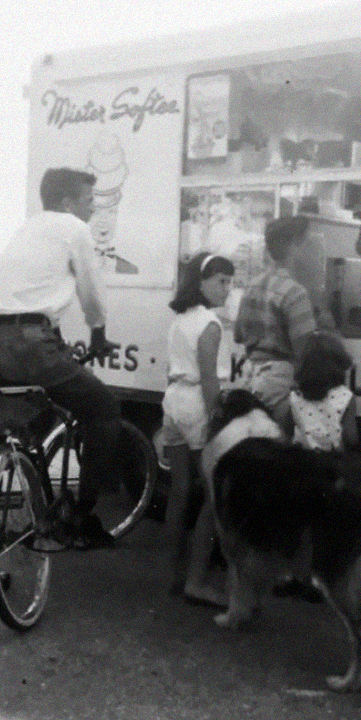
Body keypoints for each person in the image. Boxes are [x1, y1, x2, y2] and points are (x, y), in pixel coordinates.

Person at [0, 167, 122, 605]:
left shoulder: (28, 228)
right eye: (90, 198)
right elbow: (92, 291)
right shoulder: (74, 229)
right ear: (70, 203)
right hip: (31, 346)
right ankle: (82, 519)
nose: (94, 206)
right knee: (104, 409)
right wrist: (99, 332)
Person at [162, 250, 235, 607]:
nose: (228, 289)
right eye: (222, 281)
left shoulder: (180, 320)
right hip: (198, 406)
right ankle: (197, 580)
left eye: (230, 282)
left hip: (173, 402)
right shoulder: (210, 324)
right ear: (202, 282)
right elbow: (210, 379)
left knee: (178, 492)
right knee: (211, 498)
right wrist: (219, 422)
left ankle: (173, 576)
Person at [234, 215, 317, 428]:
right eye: (308, 243)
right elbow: (305, 352)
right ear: (294, 245)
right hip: (279, 383)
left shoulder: (252, 286)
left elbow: (238, 334)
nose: (312, 250)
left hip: (250, 377)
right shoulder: (295, 293)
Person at [289, 330, 358, 452]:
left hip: (300, 461)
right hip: (333, 463)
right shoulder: (346, 397)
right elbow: (351, 438)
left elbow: (289, 430)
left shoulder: (295, 396)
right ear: (339, 362)